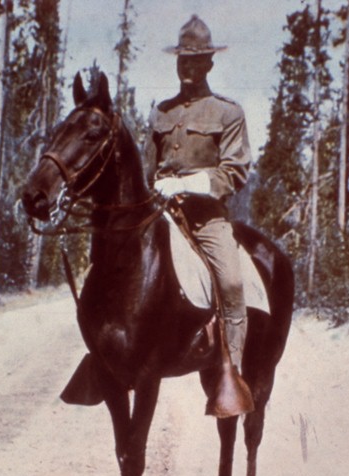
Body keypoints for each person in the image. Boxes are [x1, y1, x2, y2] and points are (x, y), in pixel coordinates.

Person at [143, 15, 253, 417]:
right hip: (161, 213)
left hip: (206, 217)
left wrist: (186, 184)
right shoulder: (161, 113)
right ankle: (102, 356)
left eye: (195, 60)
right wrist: (157, 187)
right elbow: (148, 168)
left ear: (209, 63)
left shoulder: (227, 112)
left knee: (232, 280)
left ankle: (231, 370)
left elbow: (234, 172)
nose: (187, 67)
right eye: (182, 60)